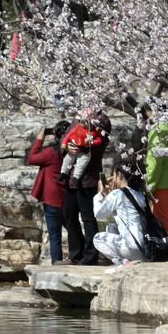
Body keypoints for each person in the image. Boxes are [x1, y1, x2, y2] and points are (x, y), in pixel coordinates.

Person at [61, 109, 110, 265]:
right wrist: (67, 146)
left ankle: (90, 256)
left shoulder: (101, 118)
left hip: (88, 177)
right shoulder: (76, 117)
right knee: (69, 217)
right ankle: (76, 254)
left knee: (88, 219)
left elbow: (100, 141)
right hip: (71, 178)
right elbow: (66, 136)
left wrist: (82, 145)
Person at [143, 107, 168, 260]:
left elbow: (154, 164)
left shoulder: (158, 131)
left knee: (165, 221)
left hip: (159, 183)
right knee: (161, 217)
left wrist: (149, 186)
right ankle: (164, 251)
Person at [29, 121, 70, 264]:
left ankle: (57, 263)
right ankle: (79, 257)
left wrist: (40, 138)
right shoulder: (74, 150)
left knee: (54, 236)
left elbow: (32, 158)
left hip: (52, 199)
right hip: (68, 198)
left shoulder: (52, 152)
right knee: (73, 229)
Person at [92, 166, 146, 273]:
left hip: (132, 248)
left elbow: (98, 214)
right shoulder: (140, 194)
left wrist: (99, 193)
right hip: (145, 248)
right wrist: (109, 195)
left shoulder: (117, 194)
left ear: (120, 175)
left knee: (97, 238)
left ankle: (124, 262)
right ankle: (128, 260)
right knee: (111, 226)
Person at [57, 109, 105, 184]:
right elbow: (68, 134)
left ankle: (76, 176)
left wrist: (90, 143)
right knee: (68, 159)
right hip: (74, 145)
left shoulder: (96, 128)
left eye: (82, 121)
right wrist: (65, 144)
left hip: (89, 176)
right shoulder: (78, 126)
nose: (80, 122)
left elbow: (100, 142)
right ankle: (63, 172)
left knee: (83, 161)